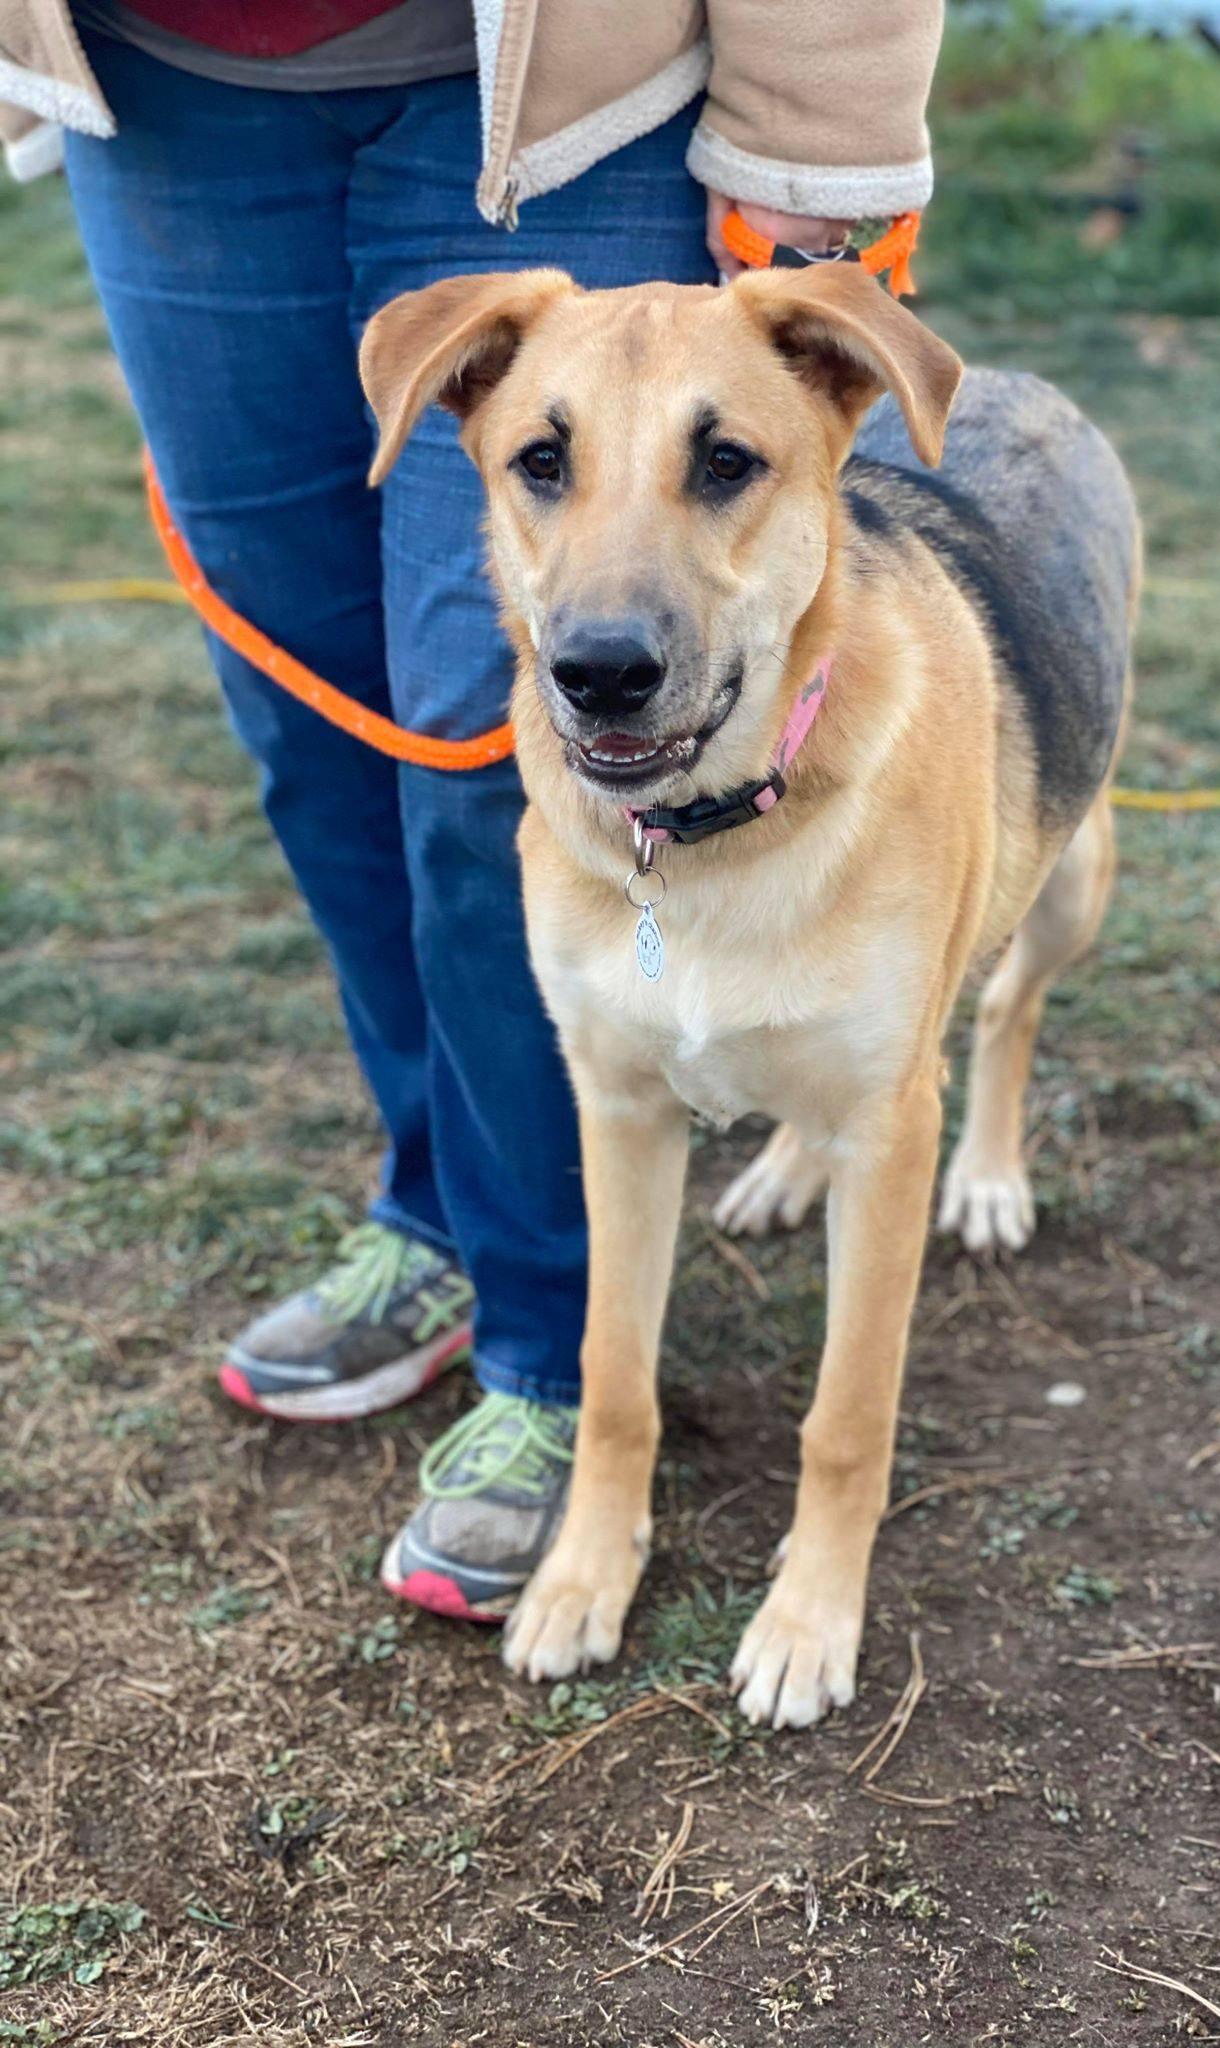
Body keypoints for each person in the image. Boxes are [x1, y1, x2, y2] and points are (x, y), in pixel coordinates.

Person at [0, 0, 943, 1623]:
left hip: (545, 85)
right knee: (313, 717)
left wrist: (823, 122)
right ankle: (434, 1202)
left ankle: (548, 1350)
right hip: (159, 94)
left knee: (471, 741)